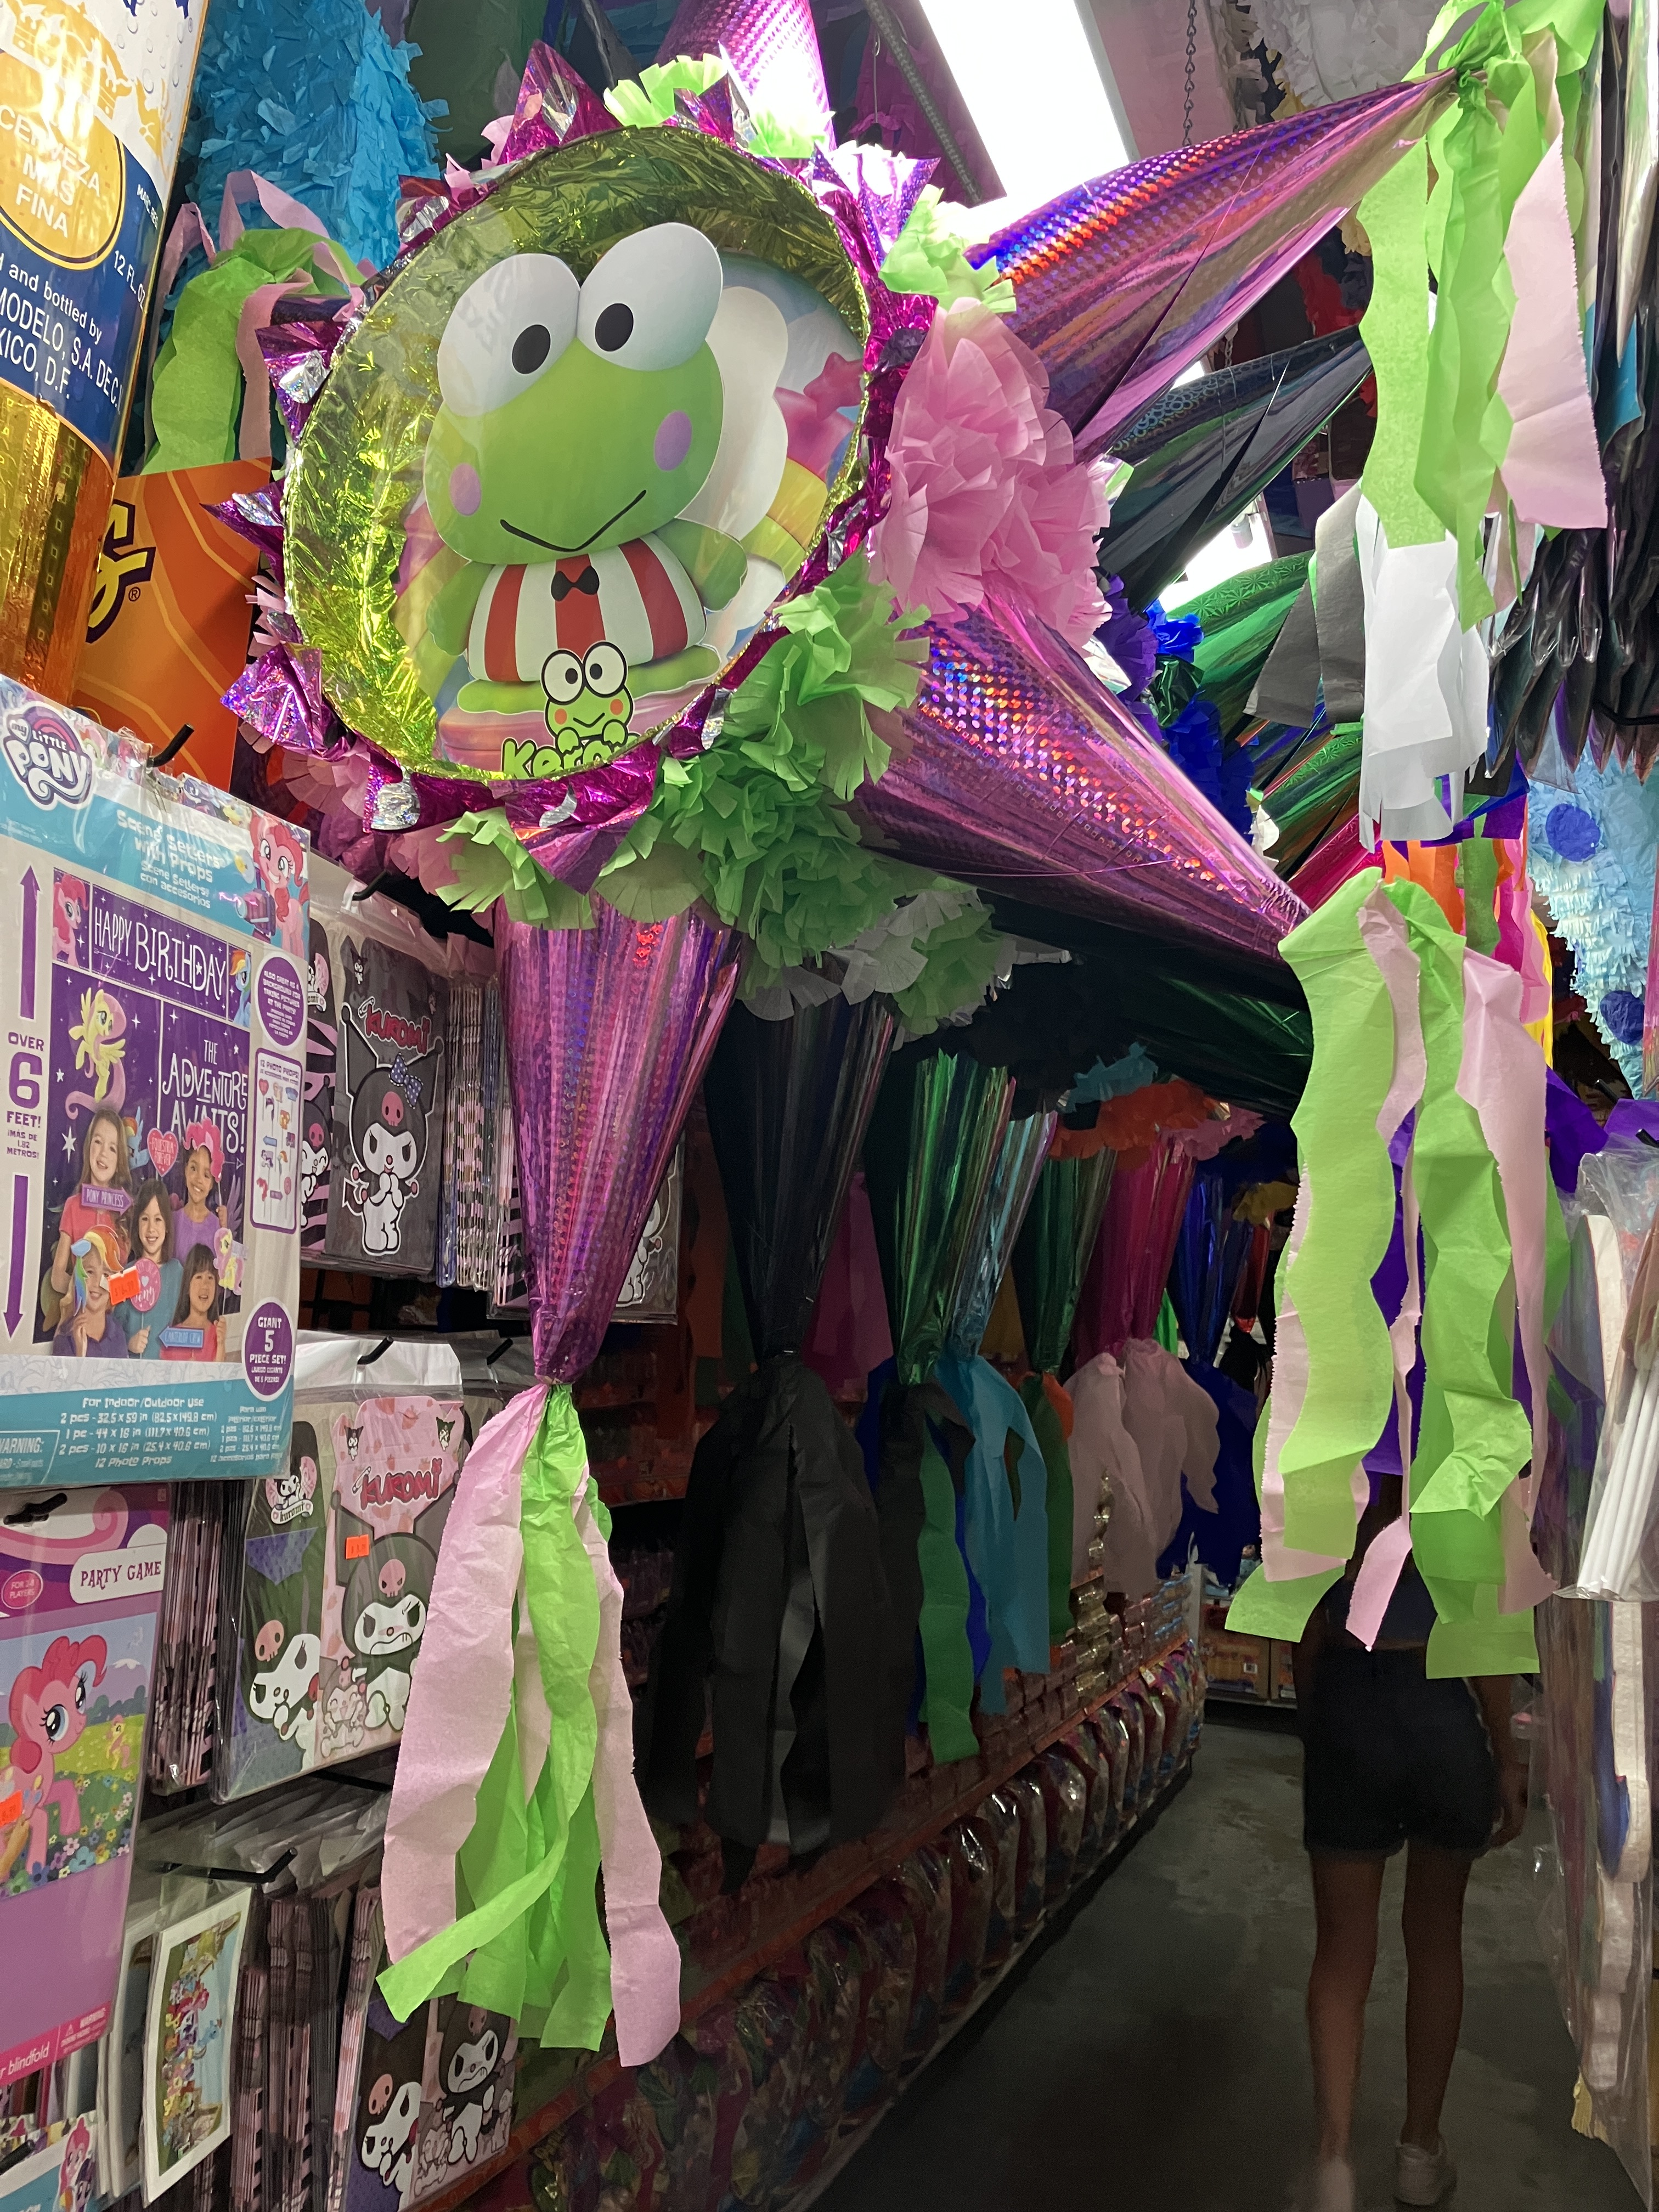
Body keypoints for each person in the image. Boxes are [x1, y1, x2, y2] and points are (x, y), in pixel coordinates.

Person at [1293, 1478, 1528, 2211]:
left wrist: (1321, 1726)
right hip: (1443, 1706)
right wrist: (1506, 1756)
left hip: (1350, 1692)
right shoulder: (1468, 1466)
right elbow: (1484, 1628)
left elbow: (1304, 1622)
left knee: (1341, 1950)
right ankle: (1420, 2150)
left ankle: (1334, 2164)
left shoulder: (1327, 1455)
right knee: (1435, 1940)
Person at [44, 1109, 132, 1330]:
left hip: (111, 1327)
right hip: (77, 1322)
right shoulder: (73, 1206)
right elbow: (57, 1277)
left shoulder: (125, 1212)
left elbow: (128, 1282)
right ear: (88, 1147)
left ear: (119, 1159)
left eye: (112, 1148)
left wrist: (106, 1297)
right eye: (98, 1142)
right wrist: (85, 1293)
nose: (103, 1153)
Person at [115, 1180, 183, 1359]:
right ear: (137, 1225)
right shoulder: (124, 1275)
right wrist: (129, 1343)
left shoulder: (178, 1273)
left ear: (167, 1226)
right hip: (134, 1372)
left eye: (158, 1219)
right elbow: (112, 1330)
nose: (151, 1228)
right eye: (145, 1219)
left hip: (168, 1372)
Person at [50, 1231, 128, 1359]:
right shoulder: (65, 1338)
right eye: (90, 1272)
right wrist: (80, 1354)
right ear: (78, 1277)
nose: (97, 1283)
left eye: (106, 1275)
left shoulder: (117, 1332)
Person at [171, 1123, 229, 1264]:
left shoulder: (217, 1227)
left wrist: (224, 1230)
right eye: (193, 1168)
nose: (199, 1180)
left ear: (212, 1184)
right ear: (185, 1169)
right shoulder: (172, 1221)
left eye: (206, 1175)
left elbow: (225, 1268)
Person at [160, 1245, 226, 1362]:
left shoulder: (217, 1335)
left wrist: (221, 1344)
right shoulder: (172, 1336)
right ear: (187, 1285)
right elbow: (164, 1371)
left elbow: (219, 1372)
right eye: (199, 1277)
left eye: (210, 1278)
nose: (205, 1285)